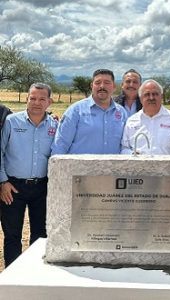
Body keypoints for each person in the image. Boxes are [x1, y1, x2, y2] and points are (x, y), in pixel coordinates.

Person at [0, 83, 57, 267]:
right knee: (12, 235)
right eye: (32, 98)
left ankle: (35, 275)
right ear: (27, 99)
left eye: (42, 99)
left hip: (42, 188)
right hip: (12, 187)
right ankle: (12, 277)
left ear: (49, 101)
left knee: (40, 235)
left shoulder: (55, 126)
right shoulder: (11, 122)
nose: (36, 103)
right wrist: (2, 182)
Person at [51, 69, 127, 155]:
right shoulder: (75, 111)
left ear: (114, 87)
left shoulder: (122, 113)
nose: (102, 86)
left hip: (112, 168)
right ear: (92, 86)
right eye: (97, 83)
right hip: (79, 167)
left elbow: (125, 145)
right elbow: (61, 144)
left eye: (107, 82)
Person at [121, 79, 170, 155]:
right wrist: (132, 154)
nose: (151, 98)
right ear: (140, 98)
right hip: (138, 166)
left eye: (155, 94)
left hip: (167, 166)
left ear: (161, 97)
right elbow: (124, 148)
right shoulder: (131, 121)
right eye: (147, 94)